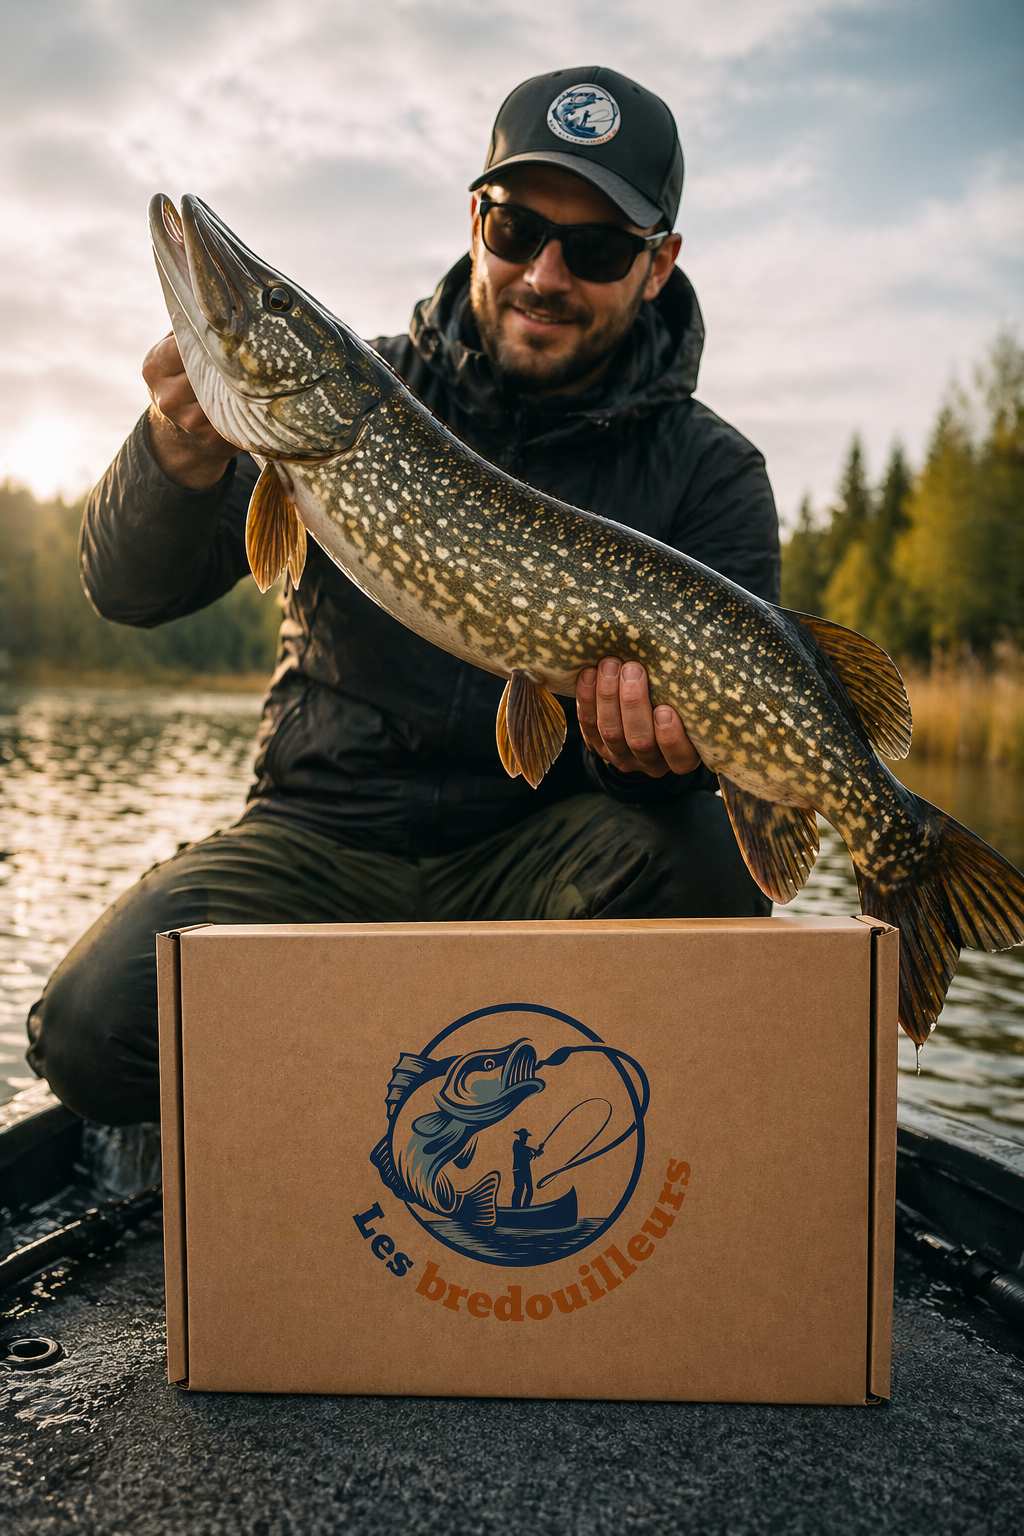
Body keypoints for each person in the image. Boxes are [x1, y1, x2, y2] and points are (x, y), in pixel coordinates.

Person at [25, 66, 779, 1126]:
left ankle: (490, 1105)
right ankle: (350, 1118)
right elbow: (126, 591)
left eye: (597, 249)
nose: (545, 273)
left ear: (658, 266)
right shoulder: (337, 402)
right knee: (93, 1029)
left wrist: (644, 758)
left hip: (543, 855)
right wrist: (174, 453)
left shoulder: (711, 473)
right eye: (517, 229)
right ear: (476, 221)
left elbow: (699, 762)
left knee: (711, 876)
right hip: (320, 834)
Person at [511, 1130, 542, 1210]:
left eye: (526, 1137)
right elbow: (526, 1150)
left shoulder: (524, 1148)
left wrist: (538, 1151)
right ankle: (515, 1208)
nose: (525, 1138)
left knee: (530, 1191)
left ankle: (525, 1207)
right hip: (519, 1170)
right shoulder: (516, 1144)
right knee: (519, 1189)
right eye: (524, 1136)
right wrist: (535, 1151)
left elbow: (531, 1153)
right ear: (520, 1136)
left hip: (526, 1170)